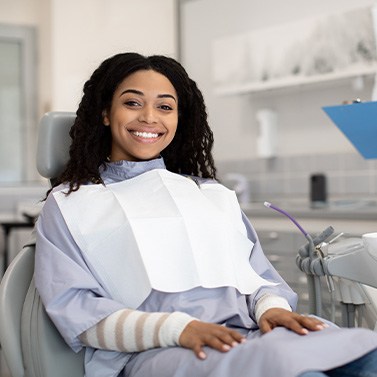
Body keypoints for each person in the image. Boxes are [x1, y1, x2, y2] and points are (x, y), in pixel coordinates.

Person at [35, 52, 377, 377]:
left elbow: (260, 278)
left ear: (178, 119)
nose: (150, 117)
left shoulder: (211, 194)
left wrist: (272, 310)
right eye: (132, 102)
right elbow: (76, 309)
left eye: (165, 107)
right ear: (106, 113)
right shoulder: (71, 204)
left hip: (253, 333)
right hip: (159, 350)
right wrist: (178, 329)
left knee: (365, 351)